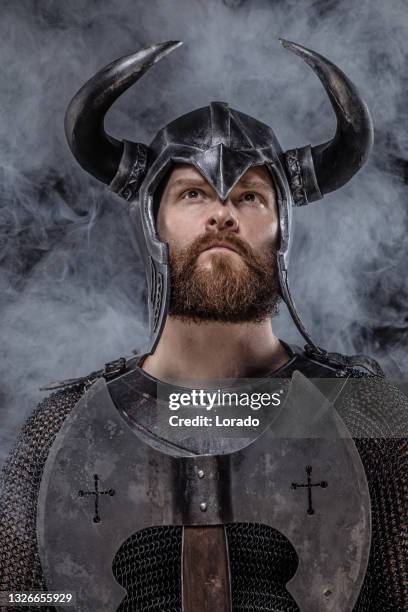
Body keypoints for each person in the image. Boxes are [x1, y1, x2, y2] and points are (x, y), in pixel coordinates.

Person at [0, 39, 406, 612]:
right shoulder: (63, 430)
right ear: (154, 225)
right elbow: (24, 601)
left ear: (281, 232)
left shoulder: (362, 411)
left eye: (250, 195)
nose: (223, 213)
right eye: (193, 193)